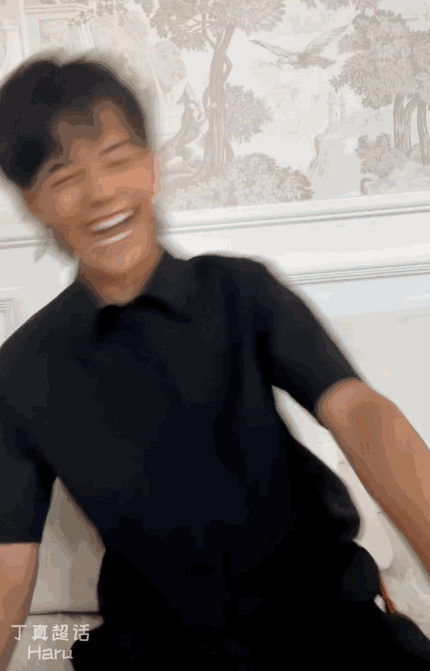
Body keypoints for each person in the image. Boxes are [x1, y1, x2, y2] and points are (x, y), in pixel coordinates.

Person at [0, 52, 430, 671]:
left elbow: (358, 411)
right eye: (63, 175)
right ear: (34, 202)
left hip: (326, 624)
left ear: (152, 167)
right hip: (161, 653)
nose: (100, 192)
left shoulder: (243, 290)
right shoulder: (22, 369)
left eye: (117, 159)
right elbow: (8, 559)